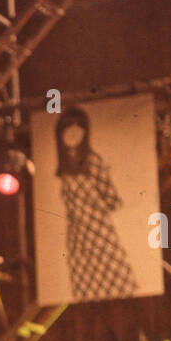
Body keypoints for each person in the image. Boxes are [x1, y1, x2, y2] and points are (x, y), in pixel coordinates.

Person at [54, 105, 137, 300]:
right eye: (68, 130)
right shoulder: (65, 169)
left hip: (97, 230)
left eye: (78, 129)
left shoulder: (92, 161)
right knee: (85, 281)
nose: (73, 135)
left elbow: (111, 197)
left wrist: (95, 207)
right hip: (77, 234)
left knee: (112, 278)